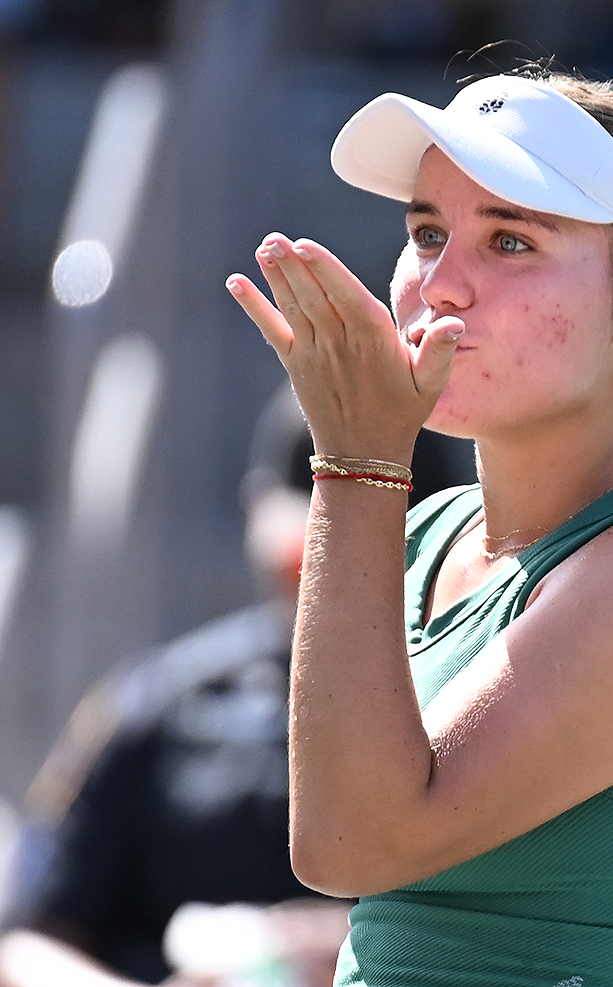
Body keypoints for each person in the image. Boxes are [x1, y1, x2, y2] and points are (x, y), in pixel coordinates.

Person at [224, 67, 613, 986]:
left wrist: (358, 460)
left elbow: (350, 844)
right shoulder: (426, 528)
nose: (442, 283)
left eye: (512, 239)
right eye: (427, 232)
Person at [0, 384, 353, 987]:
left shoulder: (478, 699)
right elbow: (30, 944)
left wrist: (357, 945)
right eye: (308, 544)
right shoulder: (161, 702)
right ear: (255, 510)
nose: (327, 563)